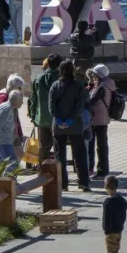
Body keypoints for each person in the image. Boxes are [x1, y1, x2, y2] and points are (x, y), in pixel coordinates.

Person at [48, 60, 91, 191]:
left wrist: (60, 120)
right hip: (75, 124)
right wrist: (70, 120)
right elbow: (80, 105)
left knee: (59, 155)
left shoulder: (55, 86)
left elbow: (51, 107)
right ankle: (83, 182)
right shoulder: (78, 86)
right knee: (79, 154)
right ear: (72, 71)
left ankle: (63, 183)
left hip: (58, 126)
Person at [28, 53, 61, 166]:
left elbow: (33, 99)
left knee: (43, 145)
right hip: (57, 117)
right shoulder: (61, 78)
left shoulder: (39, 78)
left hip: (41, 117)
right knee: (58, 145)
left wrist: (33, 115)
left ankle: (41, 168)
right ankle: (57, 169)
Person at [88, 64, 116, 178]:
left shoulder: (102, 87)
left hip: (98, 119)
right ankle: (102, 169)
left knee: (99, 146)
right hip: (102, 118)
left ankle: (101, 170)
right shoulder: (104, 84)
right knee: (101, 145)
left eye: (94, 74)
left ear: (99, 75)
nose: (92, 75)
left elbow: (91, 100)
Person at [0, 89, 23, 173]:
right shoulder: (6, 110)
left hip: (3, 141)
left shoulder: (7, 107)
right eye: (21, 100)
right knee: (12, 165)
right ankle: (10, 184)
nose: (22, 102)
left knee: (5, 165)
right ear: (15, 100)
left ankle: (7, 183)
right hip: (1, 142)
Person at [101, 175, 127, 253]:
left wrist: (106, 230)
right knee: (116, 249)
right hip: (118, 229)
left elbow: (106, 218)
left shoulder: (108, 202)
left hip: (111, 231)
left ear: (106, 187)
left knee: (112, 252)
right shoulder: (122, 201)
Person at [0, 74, 26, 157]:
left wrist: (19, 133)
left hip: (11, 133)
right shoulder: (4, 99)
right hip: (5, 135)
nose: (21, 91)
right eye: (19, 88)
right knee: (11, 158)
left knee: (19, 155)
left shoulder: (12, 97)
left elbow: (15, 118)